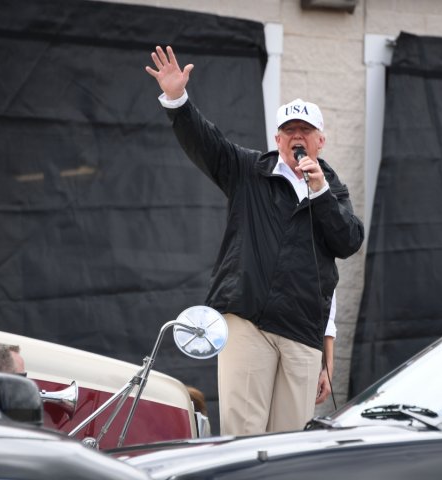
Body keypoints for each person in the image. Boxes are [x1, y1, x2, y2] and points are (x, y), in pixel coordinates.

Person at [145, 46, 364, 435]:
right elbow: (206, 143)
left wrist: (320, 191)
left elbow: (346, 245)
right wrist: (177, 100)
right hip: (249, 322)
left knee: (289, 442)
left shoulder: (332, 191)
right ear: (278, 138)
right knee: (243, 434)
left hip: (301, 335)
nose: (298, 137)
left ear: (321, 141)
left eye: (306, 132)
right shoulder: (249, 171)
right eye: (290, 131)